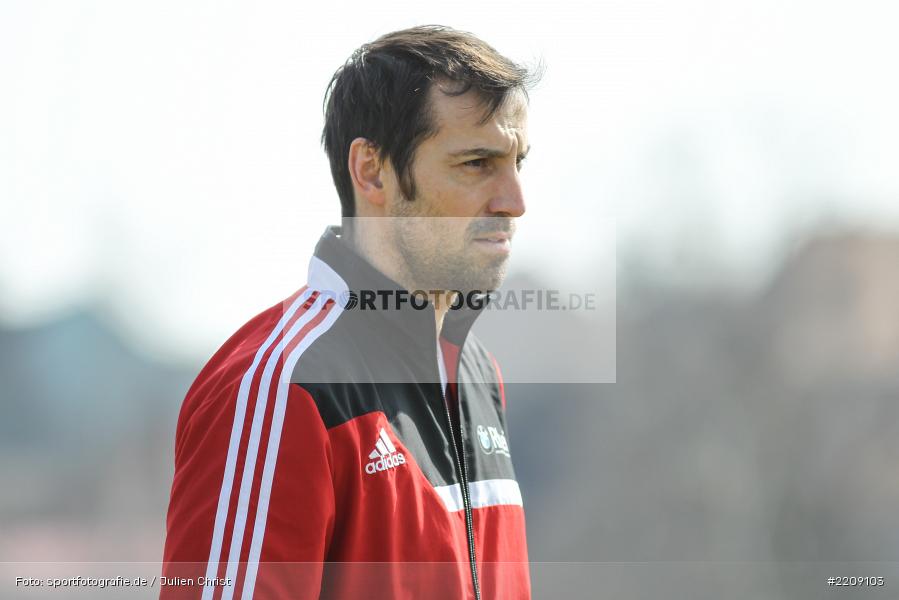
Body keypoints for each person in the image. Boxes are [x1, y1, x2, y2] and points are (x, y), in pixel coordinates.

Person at [161, 24, 540, 600]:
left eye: (518, 161)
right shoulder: (281, 387)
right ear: (371, 171)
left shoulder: (478, 375)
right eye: (476, 163)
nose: (514, 201)